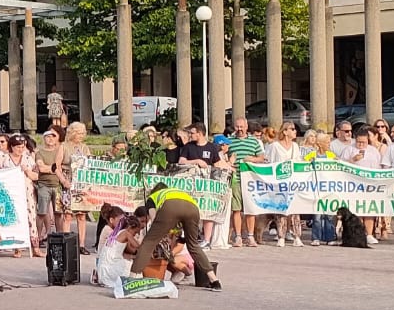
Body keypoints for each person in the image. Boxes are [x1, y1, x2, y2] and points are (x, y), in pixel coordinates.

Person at [130, 186, 223, 291]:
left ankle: (131, 280)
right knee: (193, 246)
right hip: (193, 208)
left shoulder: (152, 198)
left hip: (171, 207)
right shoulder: (175, 192)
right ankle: (215, 281)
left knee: (149, 243)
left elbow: (154, 219)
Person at [226, 118, 264, 247]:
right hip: (236, 177)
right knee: (236, 209)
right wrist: (229, 162)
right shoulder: (229, 141)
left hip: (250, 179)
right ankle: (237, 236)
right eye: (237, 127)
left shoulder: (254, 141)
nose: (239, 129)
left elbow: (261, 157)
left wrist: (252, 159)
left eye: (242, 126)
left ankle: (250, 236)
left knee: (250, 208)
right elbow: (223, 156)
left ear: (247, 127)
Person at [264, 122, 304, 246]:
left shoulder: (295, 146)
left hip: (292, 182)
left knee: (294, 210)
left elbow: (298, 161)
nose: (295, 131)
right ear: (285, 131)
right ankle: (281, 236)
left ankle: (297, 236)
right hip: (279, 182)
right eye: (292, 129)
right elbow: (269, 161)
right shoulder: (275, 146)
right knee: (280, 210)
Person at [33, 129, 65, 252]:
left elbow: (61, 165)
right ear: (44, 139)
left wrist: (52, 168)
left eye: (53, 137)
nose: (50, 139)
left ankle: (60, 237)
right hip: (44, 185)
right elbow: (41, 167)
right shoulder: (40, 152)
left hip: (57, 185)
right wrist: (55, 169)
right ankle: (38, 237)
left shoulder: (59, 151)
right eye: (47, 137)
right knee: (41, 212)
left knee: (58, 213)